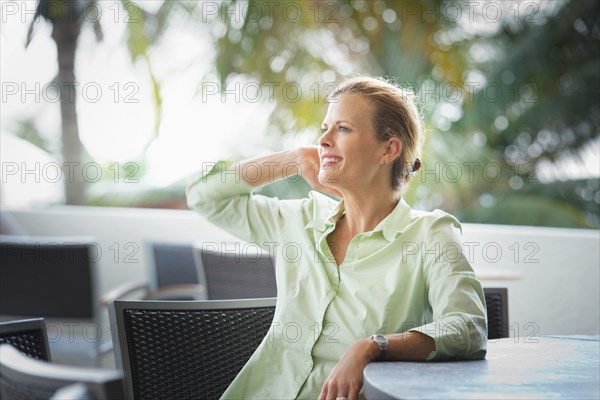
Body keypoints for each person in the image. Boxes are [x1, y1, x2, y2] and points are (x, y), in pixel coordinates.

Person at [186, 76, 487, 400]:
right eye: (324, 129)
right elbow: (205, 197)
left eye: (342, 129)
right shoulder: (300, 221)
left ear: (389, 149)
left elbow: (468, 326)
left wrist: (373, 347)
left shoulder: (430, 234)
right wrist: (293, 159)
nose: (324, 141)